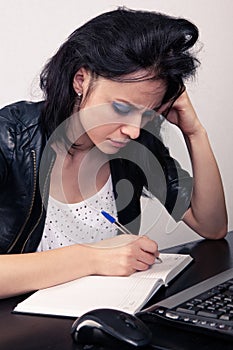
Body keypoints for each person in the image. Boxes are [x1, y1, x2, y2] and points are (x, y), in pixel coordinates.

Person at [0, 7, 227, 298]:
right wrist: (92, 257)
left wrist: (194, 132)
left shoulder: (135, 146)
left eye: (148, 115)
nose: (133, 130)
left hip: (103, 321)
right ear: (80, 80)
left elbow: (212, 225)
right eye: (120, 108)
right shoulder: (10, 138)